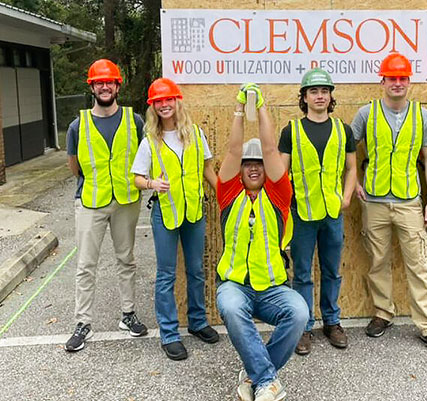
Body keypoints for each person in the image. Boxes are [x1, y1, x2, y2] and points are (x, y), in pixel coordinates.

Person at [351, 53, 427, 357]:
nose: (397, 83)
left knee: (418, 264)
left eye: (402, 78)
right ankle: (383, 312)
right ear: (383, 81)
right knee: (378, 261)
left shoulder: (422, 116)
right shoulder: (366, 113)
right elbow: (349, 149)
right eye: (391, 78)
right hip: (375, 201)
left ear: (409, 82)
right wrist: (353, 182)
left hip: (409, 202)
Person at [216, 83, 309, 401]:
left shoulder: (279, 195)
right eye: (247, 163)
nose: (253, 166)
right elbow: (232, 151)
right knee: (228, 305)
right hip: (235, 286)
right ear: (240, 170)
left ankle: (253, 375)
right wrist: (240, 111)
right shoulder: (228, 193)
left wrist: (262, 108)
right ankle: (267, 380)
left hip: (271, 288)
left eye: (258, 164)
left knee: (299, 313)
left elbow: (270, 150)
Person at [130, 78, 219, 360]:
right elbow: (136, 179)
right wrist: (151, 184)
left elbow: (207, 170)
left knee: (196, 270)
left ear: (177, 102)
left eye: (168, 100)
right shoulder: (150, 142)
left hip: (194, 211)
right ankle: (169, 334)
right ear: (153, 107)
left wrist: (226, 196)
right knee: (166, 274)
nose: (164, 105)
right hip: (165, 213)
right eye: (159, 101)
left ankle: (198, 322)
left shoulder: (195, 134)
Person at [65, 59, 147, 352]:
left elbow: (143, 157)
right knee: (86, 264)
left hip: (126, 200)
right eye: (99, 82)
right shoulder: (78, 125)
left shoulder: (134, 120)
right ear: (92, 87)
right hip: (90, 202)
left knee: (126, 259)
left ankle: (128, 314)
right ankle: (83, 322)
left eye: (109, 81)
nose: (104, 86)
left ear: (117, 85)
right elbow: (75, 167)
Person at [278, 68, 357, 355]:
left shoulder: (343, 130)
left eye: (324, 91)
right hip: (302, 215)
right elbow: (281, 172)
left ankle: (332, 321)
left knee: (331, 270)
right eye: (314, 91)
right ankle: (304, 325)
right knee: (302, 273)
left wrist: (346, 197)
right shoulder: (291, 131)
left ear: (330, 96)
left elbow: (351, 168)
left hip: (332, 214)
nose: (320, 96)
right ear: (304, 97)